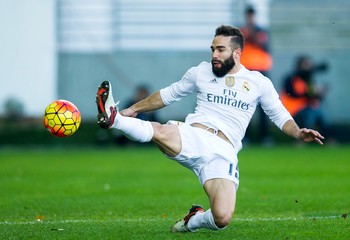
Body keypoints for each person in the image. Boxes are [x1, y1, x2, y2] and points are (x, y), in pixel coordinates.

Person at [95, 25, 324, 233]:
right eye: (212, 49)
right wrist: (132, 109)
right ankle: (114, 119)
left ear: (236, 53)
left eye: (220, 50)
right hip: (194, 135)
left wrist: (297, 132)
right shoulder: (200, 72)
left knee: (222, 217)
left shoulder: (258, 82)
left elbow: (279, 114)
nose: (214, 55)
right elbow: (167, 95)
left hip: (224, 152)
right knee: (161, 131)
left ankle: (193, 220)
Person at [240, 5, 273, 145]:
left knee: (263, 103)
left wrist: (252, 35)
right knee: (243, 103)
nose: (250, 18)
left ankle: (264, 137)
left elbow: (265, 46)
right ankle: (244, 136)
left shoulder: (261, 30)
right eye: (248, 15)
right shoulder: (241, 31)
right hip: (245, 71)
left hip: (261, 70)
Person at [280, 55, 330, 138]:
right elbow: (293, 94)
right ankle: (302, 138)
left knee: (320, 112)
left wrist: (319, 94)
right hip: (292, 110)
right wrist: (311, 92)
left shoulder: (308, 79)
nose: (309, 67)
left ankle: (326, 138)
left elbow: (312, 97)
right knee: (308, 115)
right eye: (306, 65)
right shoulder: (291, 78)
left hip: (306, 108)